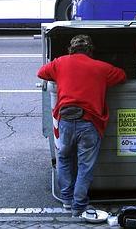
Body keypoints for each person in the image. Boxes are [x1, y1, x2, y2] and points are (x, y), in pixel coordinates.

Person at [37, 34, 126, 217]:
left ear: (71, 49)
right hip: (90, 121)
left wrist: (59, 69)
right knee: (85, 165)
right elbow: (122, 76)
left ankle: (67, 201)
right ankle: (79, 206)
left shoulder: (60, 63)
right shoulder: (101, 67)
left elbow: (41, 73)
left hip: (66, 120)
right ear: (90, 50)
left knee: (64, 158)